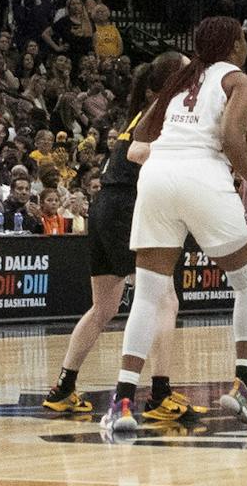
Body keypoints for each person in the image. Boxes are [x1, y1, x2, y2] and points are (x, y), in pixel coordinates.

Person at [102, 17, 247, 434]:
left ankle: (122, 403)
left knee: (147, 296)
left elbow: (140, 132)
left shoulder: (180, 77)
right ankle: (243, 388)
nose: (246, 46)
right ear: (233, 46)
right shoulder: (241, 82)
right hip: (202, 176)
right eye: (243, 40)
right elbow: (232, 138)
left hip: (158, 177)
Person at [44, 53, 202, 423]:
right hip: (127, 206)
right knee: (165, 299)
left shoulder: (143, 111)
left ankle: (63, 389)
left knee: (104, 308)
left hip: (105, 206)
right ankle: (160, 393)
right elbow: (147, 159)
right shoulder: (167, 112)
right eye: (187, 67)